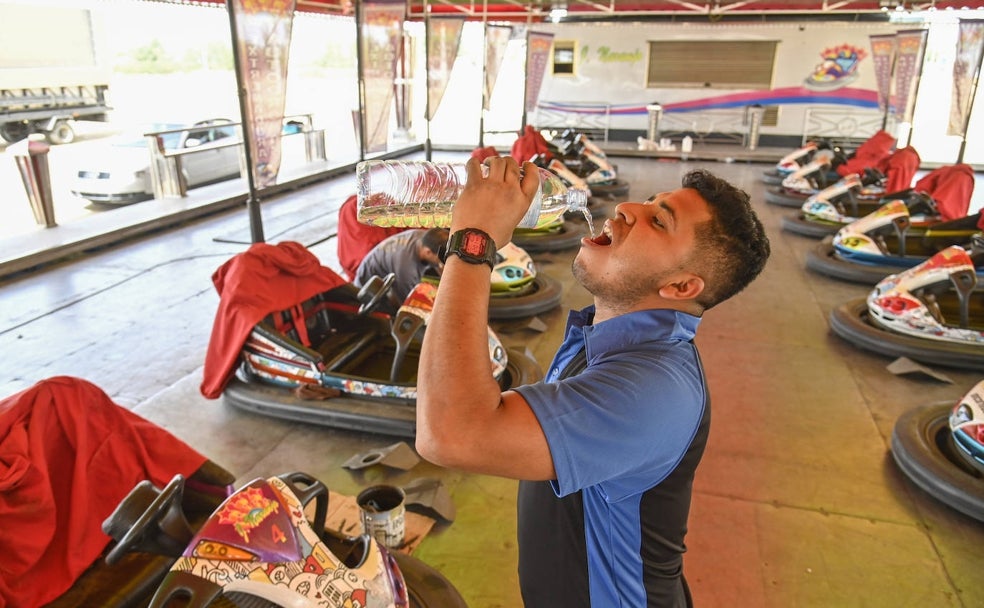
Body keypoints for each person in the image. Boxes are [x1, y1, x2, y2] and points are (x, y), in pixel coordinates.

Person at [415, 156, 770, 607]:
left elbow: (451, 433)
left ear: (682, 288)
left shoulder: (653, 390)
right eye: (649, 201)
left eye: (658, 221)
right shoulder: (607, 336)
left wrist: (473, 240)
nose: (626, 208)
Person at [353, 227, 449, 310]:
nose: (442, 264)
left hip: (388, 270)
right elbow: (409, 304)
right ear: (428, 252)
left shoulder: (426, 237)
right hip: (368, 288)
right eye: (440, 260)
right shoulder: (407, 269)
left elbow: (441, 267)